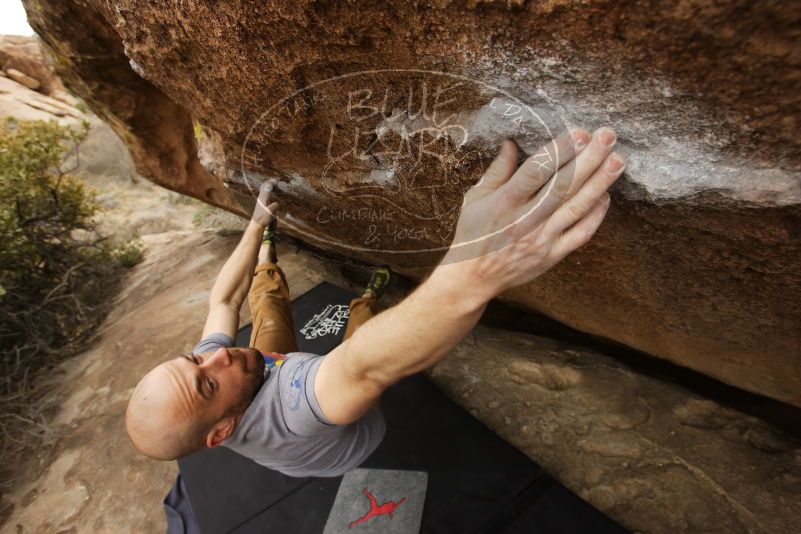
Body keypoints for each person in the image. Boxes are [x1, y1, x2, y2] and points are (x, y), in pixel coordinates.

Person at [126, 126, 625, 477]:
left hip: (268, 377)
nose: (218, 353)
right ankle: (368, 295)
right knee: (362, 335)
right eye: (207, 380)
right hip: (347, 440)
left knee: (265, 308)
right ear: (224, 431)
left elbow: (223, 297)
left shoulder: (223, 377)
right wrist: (475, 268)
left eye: (194, 357)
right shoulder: (295, 408)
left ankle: (272, 251)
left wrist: (256, 223)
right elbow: (364, 368)